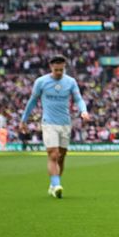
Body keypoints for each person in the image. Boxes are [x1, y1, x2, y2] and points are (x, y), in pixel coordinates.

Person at [20, 55, 90, 199]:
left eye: (61, 70)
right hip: (49, 123)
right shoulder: (41, 82)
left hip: (65, 123)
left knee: (61, 157)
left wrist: (84, 111)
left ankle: (54, 185)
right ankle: (57, 185)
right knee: (53, 154)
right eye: (56, 70)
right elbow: (32, 101)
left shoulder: (70, 82)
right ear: (51, 67)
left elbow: (78, 99)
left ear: (64, 68)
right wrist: (23, 120)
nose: (58, 72)